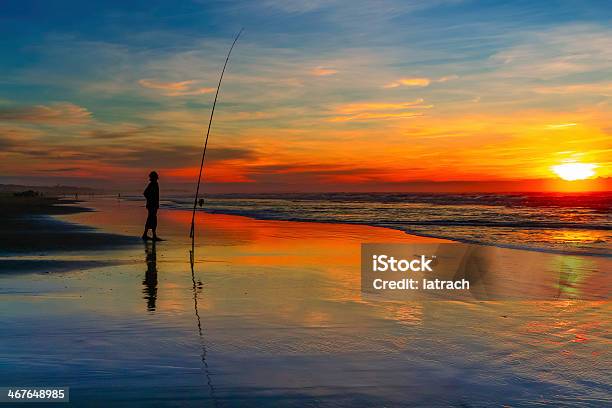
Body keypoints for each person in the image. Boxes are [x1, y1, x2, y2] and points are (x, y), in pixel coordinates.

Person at [142, 171, 161, 241]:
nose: (156, 178)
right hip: (152, 205)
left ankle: (150, 234)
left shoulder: (155, 184)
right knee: (152, 219)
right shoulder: (152, 184)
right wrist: (150, 199)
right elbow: (145, 193)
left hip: (153, 205)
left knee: (152, 219)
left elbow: (156, 196)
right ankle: (148, 235)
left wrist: (155, 203)